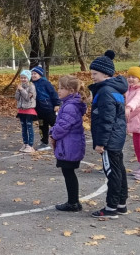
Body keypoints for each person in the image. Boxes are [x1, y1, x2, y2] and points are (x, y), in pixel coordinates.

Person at [88, 50, 129, 219]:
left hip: (110, 140)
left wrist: (100, 142)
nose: (92, 77)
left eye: (95, 73)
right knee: (119, 170)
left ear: (105, 74)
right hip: (116, 138)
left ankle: (111, 207)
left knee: (112, 172)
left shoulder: (105, 92)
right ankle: (121, 203)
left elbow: (106, 120)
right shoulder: (114, 89)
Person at [50, 75, 88, 212]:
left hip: (69, 145)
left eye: (61, 88)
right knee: (68, 173)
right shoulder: (69, 104)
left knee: (69, 173)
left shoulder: (70, 107)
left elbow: (63, 126)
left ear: (71, 91)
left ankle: (73, 202)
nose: (58, 91)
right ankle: (74, 201)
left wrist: (52, 133)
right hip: (70, 144)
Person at [31, 66, 61, 151]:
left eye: (35, 74)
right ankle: (44, 142)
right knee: (42, 126)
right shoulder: (31, 84)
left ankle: (61, 138)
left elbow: (53, 93)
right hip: (38, 109)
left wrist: (56, 104)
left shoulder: (46, 83)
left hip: (48, 108)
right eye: (32, 74)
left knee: (54, 124)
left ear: (40, 74)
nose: (33, 75)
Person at [15, 70, 37, 153]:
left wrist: (22, 90)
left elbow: (27, 98)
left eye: (25, 78)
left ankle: (30, 145)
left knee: (29, 127)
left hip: (29, 109)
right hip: (21, 109)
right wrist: (18, 90)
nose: (23, 79)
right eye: (21, 78)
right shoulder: (20, 86)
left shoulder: (31, 86)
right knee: (23, 127)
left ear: (28, 78)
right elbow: (17, 98)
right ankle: (25, 143)